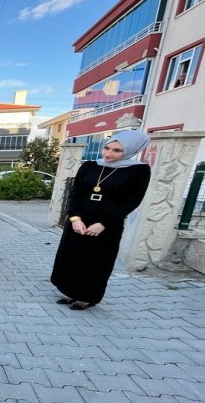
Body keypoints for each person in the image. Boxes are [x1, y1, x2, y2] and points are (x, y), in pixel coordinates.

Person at [51, 130, 152, 310]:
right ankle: (69, 292)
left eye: (116, 151)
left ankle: (86, 297)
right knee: (71, 257)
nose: (108, 154)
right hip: (79, 220)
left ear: (130, 151)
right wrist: (74, 218)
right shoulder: (90, 166)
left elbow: (132, 201)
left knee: (96, 261)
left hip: (107, 224)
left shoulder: (138, 170)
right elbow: (75, 193)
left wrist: (103, 223)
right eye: (107, 148)